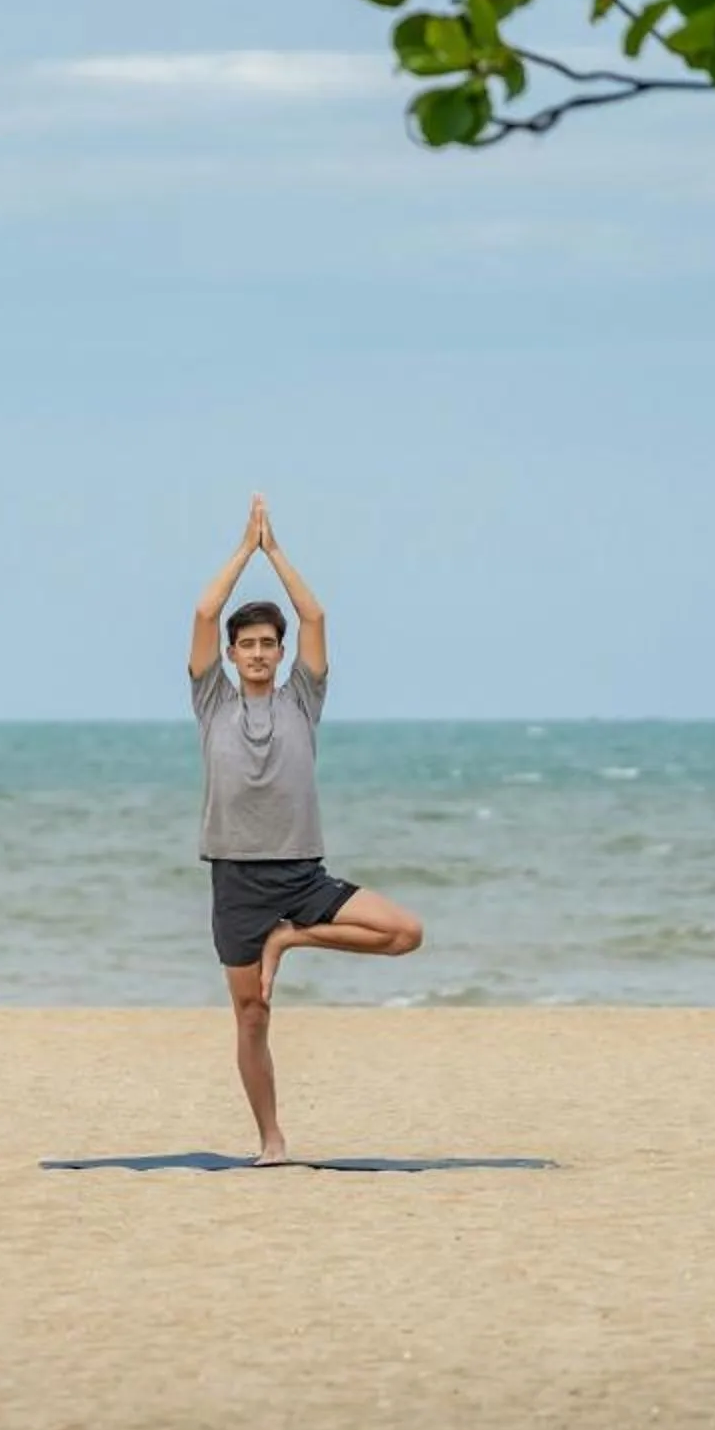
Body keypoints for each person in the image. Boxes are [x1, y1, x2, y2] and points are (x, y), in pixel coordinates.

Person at [189, 496, 423, 1163]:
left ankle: (290, 939)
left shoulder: (302, 698)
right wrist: (242, 551)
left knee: (405, 932)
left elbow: (316, 615)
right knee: (252, 1016)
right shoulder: (211, 703)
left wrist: (276, 553)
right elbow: (204, 613)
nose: (259, 653)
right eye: (249, 645)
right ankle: (270, 1139)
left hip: (302, 873)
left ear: (282, 653)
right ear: (232, 656)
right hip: (236, 877)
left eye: (269, 644)